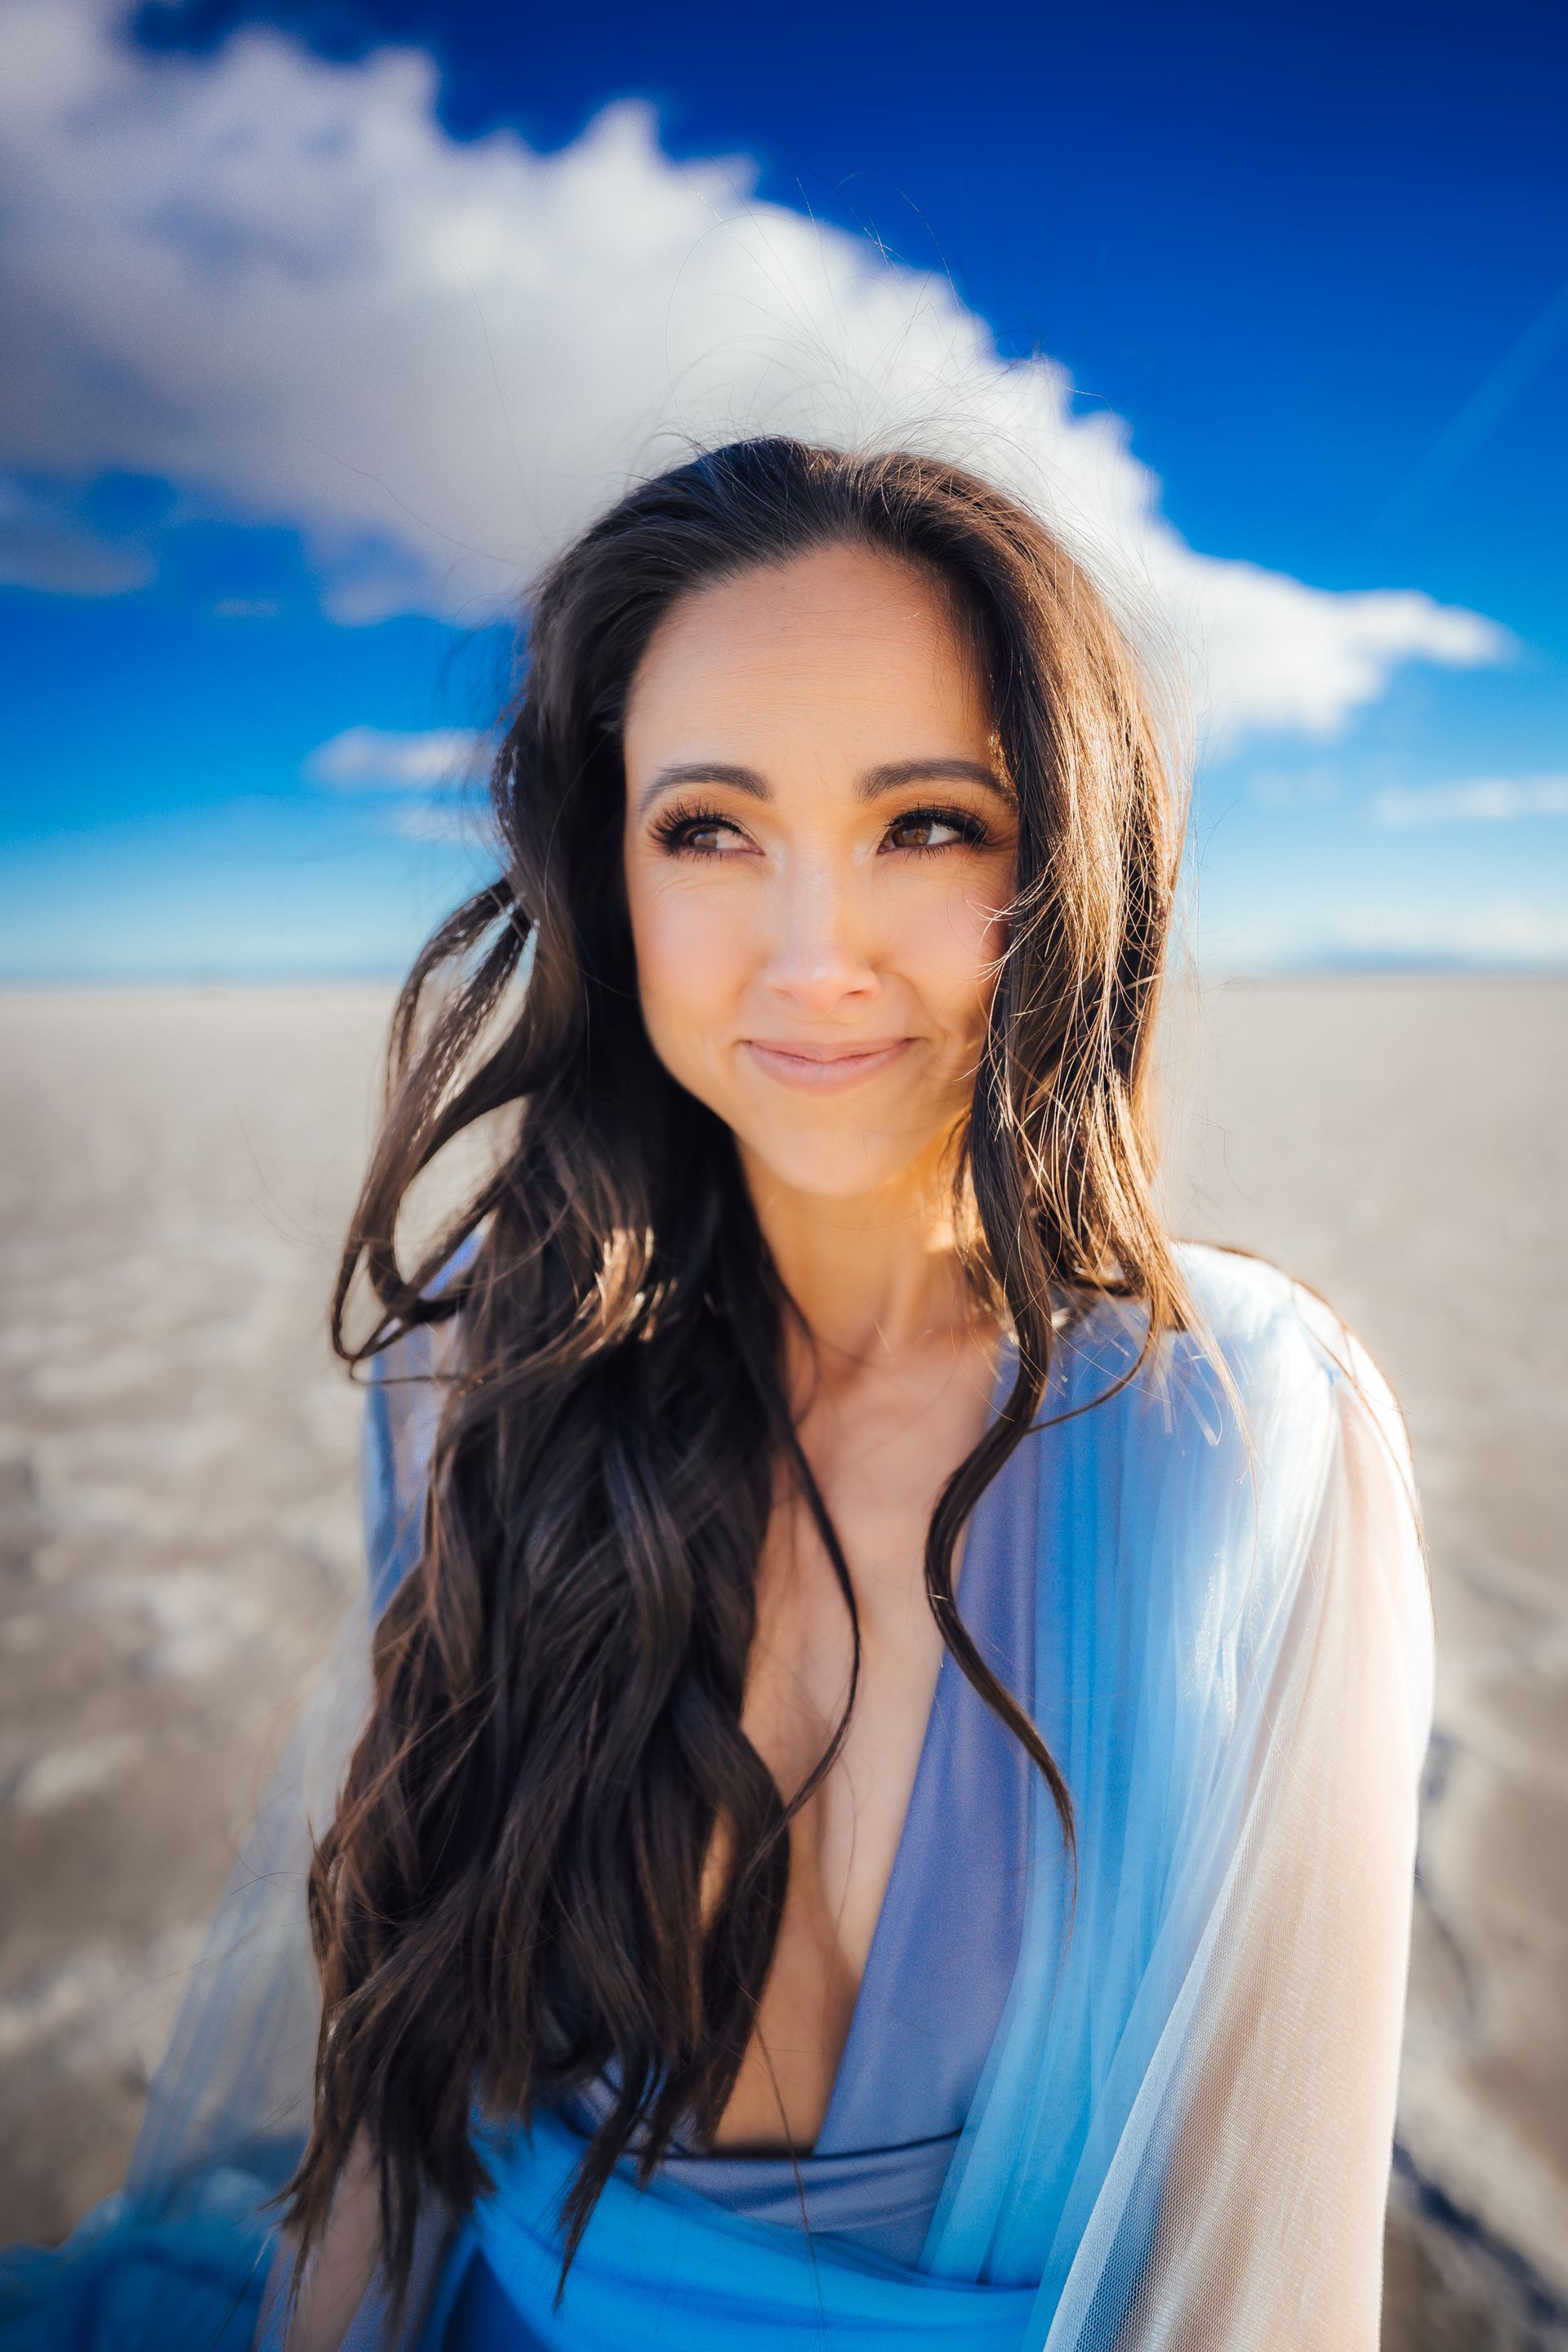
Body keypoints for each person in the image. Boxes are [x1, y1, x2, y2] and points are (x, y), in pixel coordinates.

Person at [0, 438, 1432, 2350]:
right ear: (606, 873)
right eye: (710, 828)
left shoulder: (1247, 1437)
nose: (815, 953)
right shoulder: (469, 1372)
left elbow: (1269, 2287)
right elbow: (392, 2103)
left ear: (1070, 862)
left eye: (927, 823)